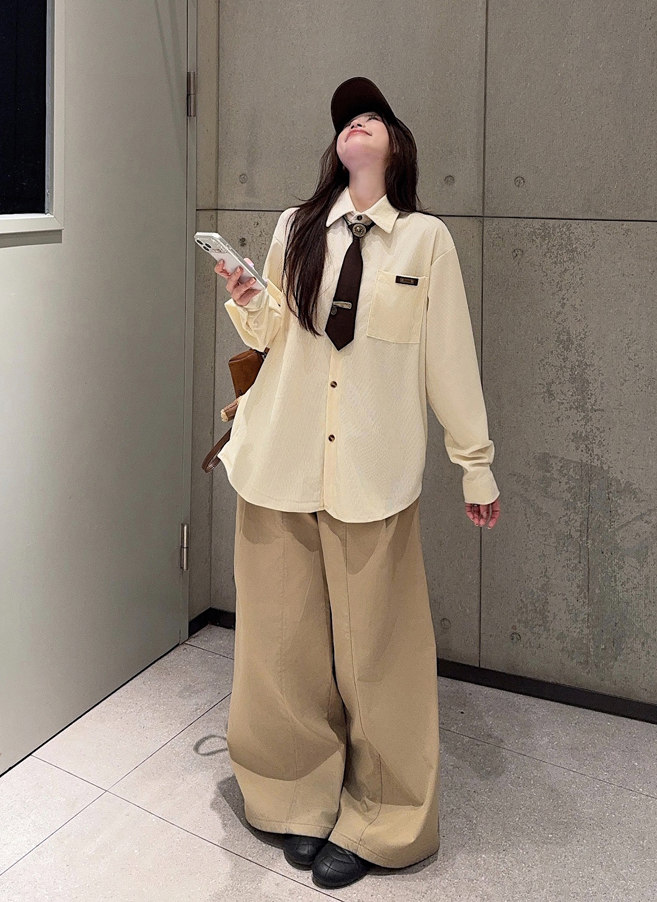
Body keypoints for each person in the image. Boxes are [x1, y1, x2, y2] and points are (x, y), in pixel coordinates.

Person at [213, 76, 501, 890]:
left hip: (373, 473)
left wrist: (474, 464)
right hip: (280, 460)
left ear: (397, 146)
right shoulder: (296, 226)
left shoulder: (426, 241)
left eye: (372, 117)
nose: (356, 125)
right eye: (346, 120)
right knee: (280, 652)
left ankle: (386, 817)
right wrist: (248, 297)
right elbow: (271, 332)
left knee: (382, 660)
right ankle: (291, 797)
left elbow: (449, 358)